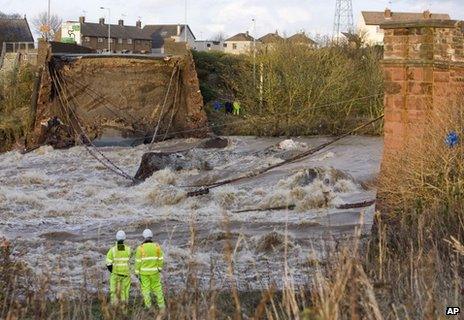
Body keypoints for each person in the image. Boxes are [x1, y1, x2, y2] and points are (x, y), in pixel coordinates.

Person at [135, 229, 165, 309]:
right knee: (158, 288)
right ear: (151, 236)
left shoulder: (140, 248)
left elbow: (138, 261)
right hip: (155, 272)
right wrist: (159, 268)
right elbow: (161, 258)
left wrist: (137, 272)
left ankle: (148, 306)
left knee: (146, 289)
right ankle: (161, 306)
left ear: (143, 237)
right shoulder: (157, 247)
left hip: (144, 273)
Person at [106, 230, 131, 304]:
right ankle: (124, 310)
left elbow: (108, 263)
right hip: (126, 274)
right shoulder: (128, 249)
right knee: (125, 293)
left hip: (115, 274)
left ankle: (115, 309)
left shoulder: (112, 250)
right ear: (124, 238)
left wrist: (112, 271)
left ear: (116, 238)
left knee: (114, 292)